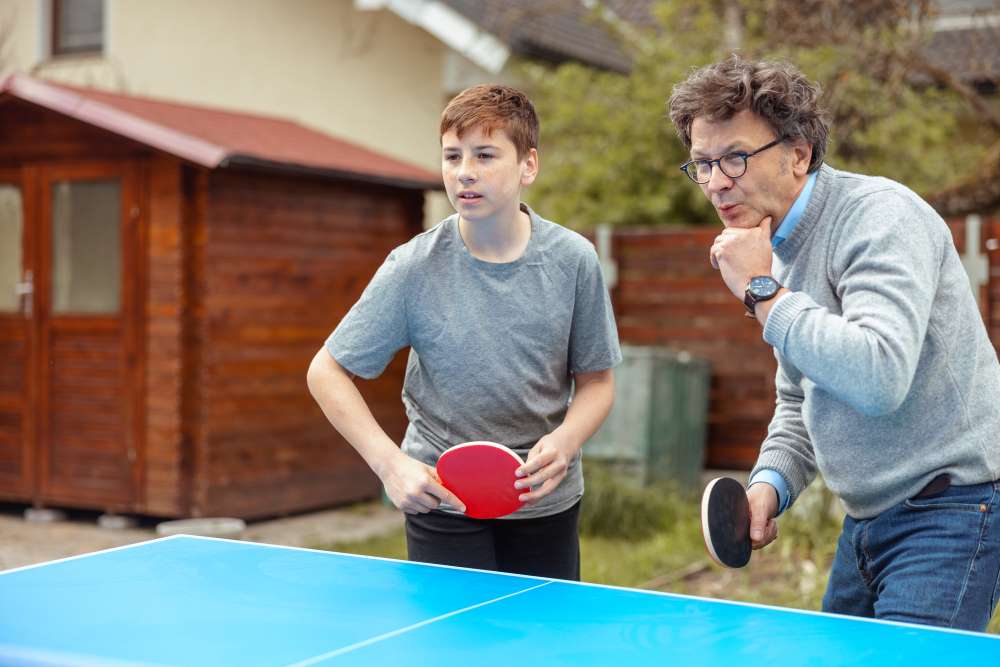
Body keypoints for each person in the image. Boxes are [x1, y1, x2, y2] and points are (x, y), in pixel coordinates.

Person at [668, 55, 1000, 631]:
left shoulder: (880, 218)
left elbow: (878, 376)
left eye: (736, 158)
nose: (717, 181)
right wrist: (769, 486)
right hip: (867, 520)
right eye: (703, 163)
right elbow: (801, 399)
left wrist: (761, 292)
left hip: (952, 511)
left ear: (798, 153)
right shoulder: (775, 247)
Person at [306, 84, 621, 581]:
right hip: (442, 501)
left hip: (544, 503)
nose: (464, 171)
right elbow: (326, 371)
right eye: (452, 156)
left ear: (528, 166)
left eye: (485, 154)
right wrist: (390, 465)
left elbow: (598, 383)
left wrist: (565, 440)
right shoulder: (412, 267)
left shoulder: (573, 260)